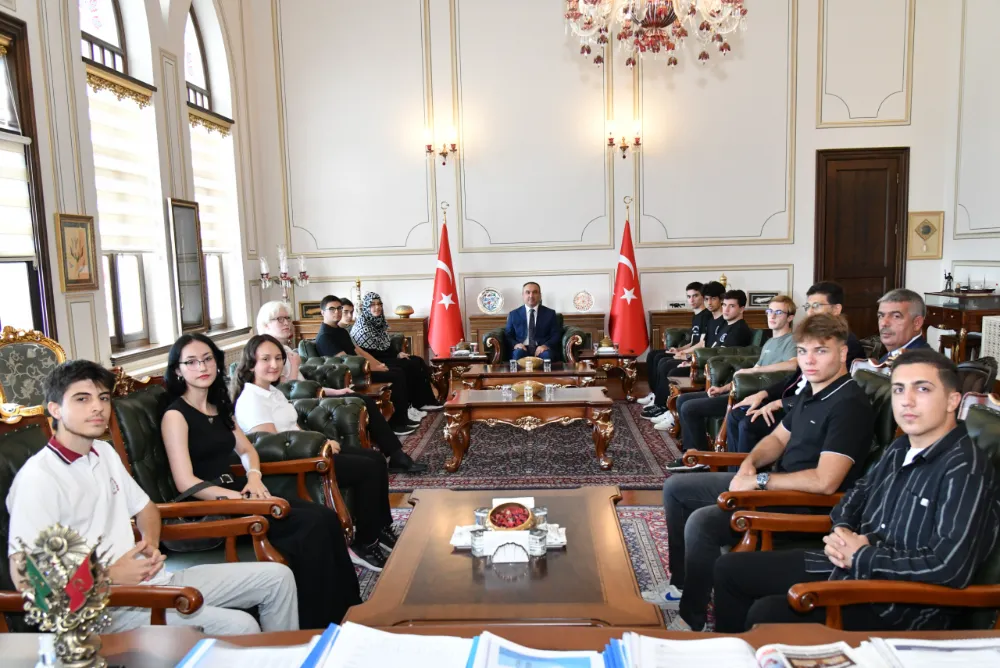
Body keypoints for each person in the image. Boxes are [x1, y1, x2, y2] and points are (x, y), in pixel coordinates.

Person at [714, 349, 1000, 632]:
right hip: (849, 565)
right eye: (899, 389)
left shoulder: (965, 468)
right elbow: (856, 495)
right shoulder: (901, 447)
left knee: (766, 613)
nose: (907, 401)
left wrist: (862, 556)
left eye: (922, 389)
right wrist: (843, 532)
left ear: (952, 400)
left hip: (899, 604)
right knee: (730, 570)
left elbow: (949, 567)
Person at [7, 360, 299, 634]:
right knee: (241, 626)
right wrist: (108, 575)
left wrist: (148, 545)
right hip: (101, 610)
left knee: (277, 579)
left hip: (151, 581)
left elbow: (146, 509)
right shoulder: (39, 479)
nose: (97, 407)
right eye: (82, 399)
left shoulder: (103, 452)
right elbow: (30, 584)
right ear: (55, 410)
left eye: (103, 398)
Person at [645, 314, 875, 631]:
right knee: (677, 489)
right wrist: (749, 464)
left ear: (843, 352)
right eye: (803, 351)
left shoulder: (849, 404)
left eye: (820, 351)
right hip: (775, 488)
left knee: (703, 522)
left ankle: (692, 619)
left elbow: (825, 481)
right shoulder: (812, 392)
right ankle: (682, 585)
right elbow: (778, 439)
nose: (809, 360)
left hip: (805, 504)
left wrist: (760, 481)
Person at [160, 335, 364, 625]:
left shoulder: (218, 406)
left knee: (325, 517)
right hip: (210, 505)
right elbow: (186, 482)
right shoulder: (176, 415)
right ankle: (317, 622)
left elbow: (247, 450)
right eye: (191, 362)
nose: (202, 367)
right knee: (310, 526)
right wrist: (238, 499)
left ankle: (349, 610)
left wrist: (254, 477)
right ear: (178, 370)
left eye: (207, 359)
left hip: (240, 490)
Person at [229, 334, 400, 571]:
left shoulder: (272, 391)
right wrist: (320, 447)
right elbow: (273, 445)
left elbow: (294, 428)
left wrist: (324, 441)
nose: (274, 365)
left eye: (278, 358)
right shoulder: (251, 399)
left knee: (376, 458)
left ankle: (380, 528)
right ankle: (365, 542)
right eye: (265, 359)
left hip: (305, 450)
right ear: (250, 364)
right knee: (367, 469)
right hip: (294, 465)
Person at [723, 281, 867, 456]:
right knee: (736, 415)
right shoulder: (811, 339)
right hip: (792, 403)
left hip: (808, 410)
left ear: (836, 309)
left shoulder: (846, 344)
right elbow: (794, 379)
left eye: (816, 306)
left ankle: (749, 470)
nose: (810, 312)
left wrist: (780, 403)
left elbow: (827, 393)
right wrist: (763, 394)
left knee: (749, 423)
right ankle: (736, 469)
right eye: (808, 306)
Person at [256, 300, 424, 441]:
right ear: (265, 325)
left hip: (313, 393)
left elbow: (304, 383)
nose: (287, 323)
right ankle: (394, 439)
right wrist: (294, 366)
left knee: (394, 375)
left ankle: (395, 441)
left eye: (287, 318)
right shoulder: (266, 355)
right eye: (280, 319)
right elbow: (287, 391)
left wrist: (336, 391)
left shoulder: (286, 349)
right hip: (304, 402)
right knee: (364, 398)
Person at [305, 296, 426, 472]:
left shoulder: (340, 331)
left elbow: (357, 350)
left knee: (399, 371)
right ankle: (398, 426)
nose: (337, 312)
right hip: (352, 376)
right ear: (322, 312)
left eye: (339, 308)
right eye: (332, 309)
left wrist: (377, 364)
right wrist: (372, 367)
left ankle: (402, 423)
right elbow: (344, 360)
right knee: (396, 376)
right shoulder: (325, 336)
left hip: (360, 369)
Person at [662, 296, 798, 445]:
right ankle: (691, 450)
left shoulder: (792, 340)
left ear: (790, 317)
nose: (772, 316)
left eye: (778, 312)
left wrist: (752, 372)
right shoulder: (770, 342)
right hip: (742, 389)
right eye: (769, 311)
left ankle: (697, 454)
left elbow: (794, 364)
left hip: (755, 394)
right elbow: (755, 370)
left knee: (689, 407)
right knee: (682, 399)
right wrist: (723, 389)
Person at [644, 288, 754, 428]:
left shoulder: (739, 329)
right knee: (664, 361)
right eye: (725, 305)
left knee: (671, 369)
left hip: (717, 372)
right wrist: (689, 358)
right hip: (707, 364)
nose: (726, 310)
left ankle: (669, 412)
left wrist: (692, 362)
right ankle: (666, 407)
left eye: (731, 306)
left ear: (741, 308)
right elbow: (710, 348)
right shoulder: (726, 325)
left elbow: (722, 357)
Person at [642, 281, 727, 421]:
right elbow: (698, 342)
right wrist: (680, 350)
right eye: (707, 299)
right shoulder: (710, 319)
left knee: (666, 364)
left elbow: (706, 346)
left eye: (696, 296)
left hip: (703, 361)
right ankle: (657, 397)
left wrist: (688, 356)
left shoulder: (712, 318)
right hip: (698, 357)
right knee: (655, 356)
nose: (709, 302)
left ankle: (663, 406)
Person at [350, 292, 441, 412]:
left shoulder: (378, 322)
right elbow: (369, 353)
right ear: (366, 307)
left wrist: (397, 354)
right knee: (408, 365)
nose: (377, 307)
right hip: (374, 361)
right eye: (372, 305)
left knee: (417, 361)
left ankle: (425, 401)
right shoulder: (362, 327)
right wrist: (389, 359)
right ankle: (416, 403)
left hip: (384, 356)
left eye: (379, 304)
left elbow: (385, 345)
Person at [503, 282, 562, 362]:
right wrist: (516, 344)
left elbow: (556, 335)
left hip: (541, 348)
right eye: (528, 292)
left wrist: (545, 346)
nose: (531, 296)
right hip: (522, 348)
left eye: (535, 292)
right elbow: (508, 335)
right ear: (523, 295)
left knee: (547, 355)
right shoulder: (514, 314)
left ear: (540, 295)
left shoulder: (550, 313)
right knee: (517, 354)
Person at [876, 288, 931, 362]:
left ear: (917, 323)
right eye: (881, 316)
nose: (884, 323)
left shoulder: (921, 363)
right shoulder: (888, 357)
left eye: (896, 316)